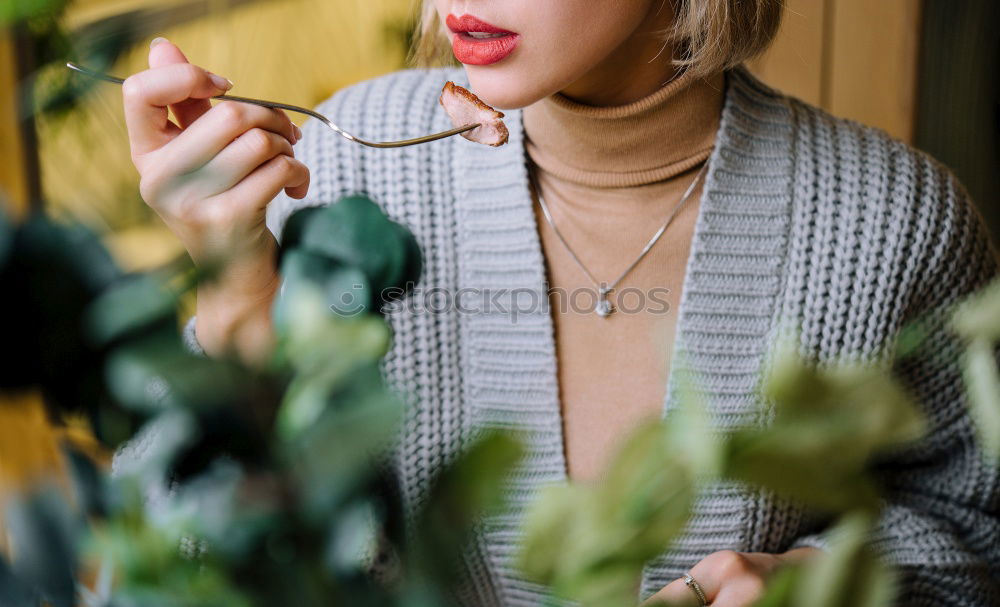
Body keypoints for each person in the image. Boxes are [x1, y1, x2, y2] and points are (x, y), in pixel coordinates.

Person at [119, 0, 1000, 605]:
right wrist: (235, 306)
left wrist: (823, 578)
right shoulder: (339, 179)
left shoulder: (895, 223)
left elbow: (974, 533)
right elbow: (145, 575)